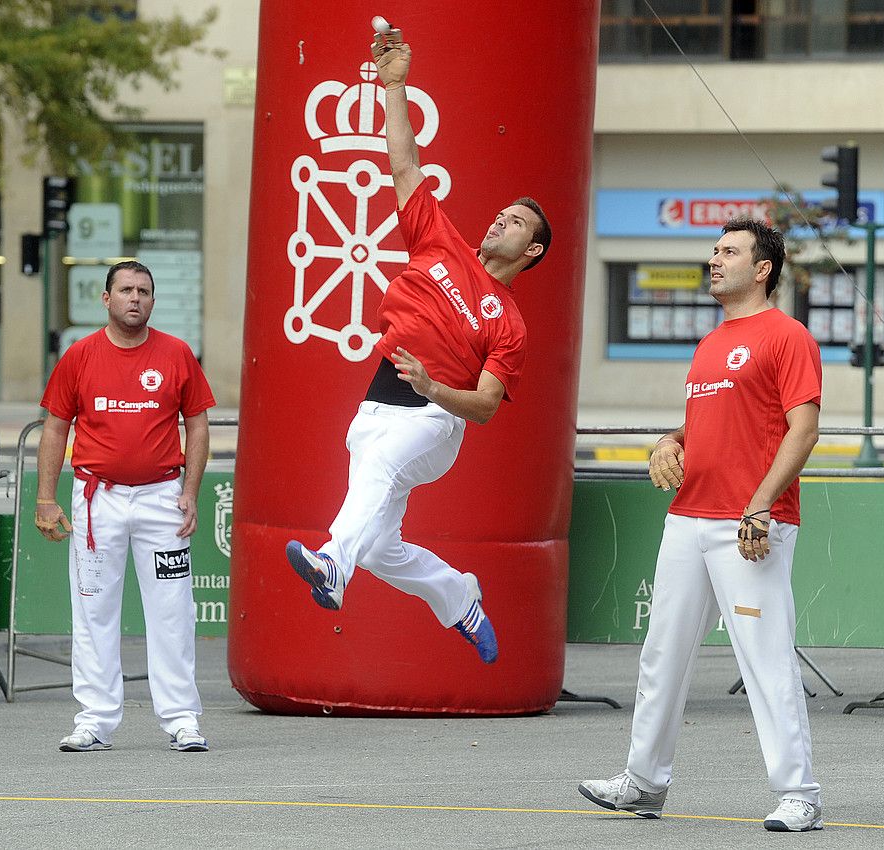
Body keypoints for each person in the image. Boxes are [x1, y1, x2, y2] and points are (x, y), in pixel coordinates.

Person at [284, 25, 552, 664]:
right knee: (380, 546)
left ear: (532, 250)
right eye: (501, 214)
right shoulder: (441, 241)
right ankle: (458, 598)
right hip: (377, 403)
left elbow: (486, 407)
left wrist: (434, 388)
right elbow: (404, 164)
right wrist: (394, 85)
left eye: (515, 223)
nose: (498, 221)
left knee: (374, 482)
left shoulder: (508, 322)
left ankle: (330, 567)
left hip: (434, 419)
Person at [578, 219, 824, 832]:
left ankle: (800, 794)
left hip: (750, 523)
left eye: (729, 252)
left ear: (762, 268)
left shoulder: (787, 336)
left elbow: (804, 427)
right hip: (688, 517)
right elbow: (708, 424)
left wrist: (762, 503)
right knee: (662, 653)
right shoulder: (711, 343)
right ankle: (643, 782)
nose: (713, 260)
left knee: (765, 659)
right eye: (713, 251)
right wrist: (671, 439)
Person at [34, 260, 215, 754]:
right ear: (107, 298)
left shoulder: (176, 354)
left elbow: (197, 425)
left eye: (144, 291)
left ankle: (182, 720)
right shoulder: (80, 356)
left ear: (153, 301)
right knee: (93, 612)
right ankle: (94, 721)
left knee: (173, 612)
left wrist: (190, 492)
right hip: (97, 501)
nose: (136, 298)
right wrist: (46, 498)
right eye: (126, 290)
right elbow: (55, 428)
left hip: (162, 499)